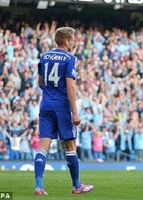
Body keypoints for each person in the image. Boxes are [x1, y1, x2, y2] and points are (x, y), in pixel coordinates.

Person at [34, 27, 94, 195]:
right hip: (62, 107)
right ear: (67, 41)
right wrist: (75, 112)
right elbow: (71, 86)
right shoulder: (69, 58)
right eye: (73, 39)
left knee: (43, 147)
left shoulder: (44, 56)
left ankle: (39, 186)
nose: (74, 41)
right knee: (70, 146)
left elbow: (40, 82)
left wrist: (49, 93)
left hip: (45, 105)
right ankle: (76, 186)